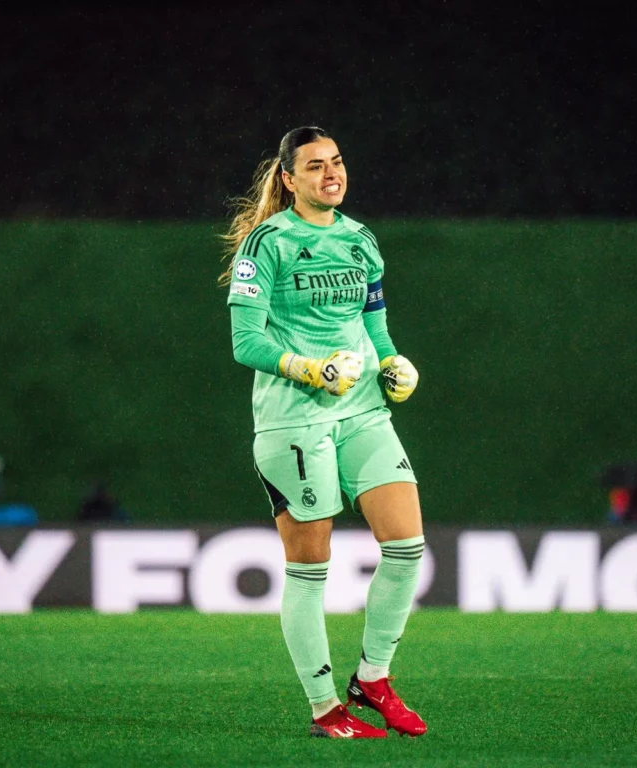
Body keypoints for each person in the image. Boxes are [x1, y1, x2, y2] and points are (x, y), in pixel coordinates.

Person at [221, 127, 426, 739]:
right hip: (295, 419)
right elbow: (246, 342)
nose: (331, 173)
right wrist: (308, 368)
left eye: (336, 161)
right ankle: (324, 707)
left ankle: (373, 678)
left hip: (362, 412)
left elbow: (374, 326)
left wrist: (393, 363)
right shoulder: (268, 242)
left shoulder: (361, 240)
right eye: (315, 166)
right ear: (289, 179)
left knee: (408, 545)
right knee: (311, 569)